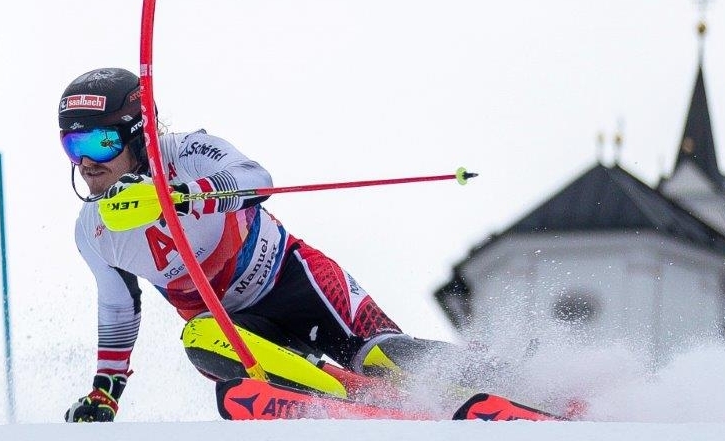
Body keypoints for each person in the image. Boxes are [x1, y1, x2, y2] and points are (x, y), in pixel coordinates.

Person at [59, 67, 469, 423]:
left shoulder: (185, 151)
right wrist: (105, 393)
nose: (86, 163)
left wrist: (184, 194)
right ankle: (352, 396)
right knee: (199, 336)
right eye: (72, 147)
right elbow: (117, 309)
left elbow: (257, 177)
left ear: (137, 136)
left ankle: (500, 379)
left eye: (99, 144)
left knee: (387, 358)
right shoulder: (93, 232)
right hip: (238, 329)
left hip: (295, 279)